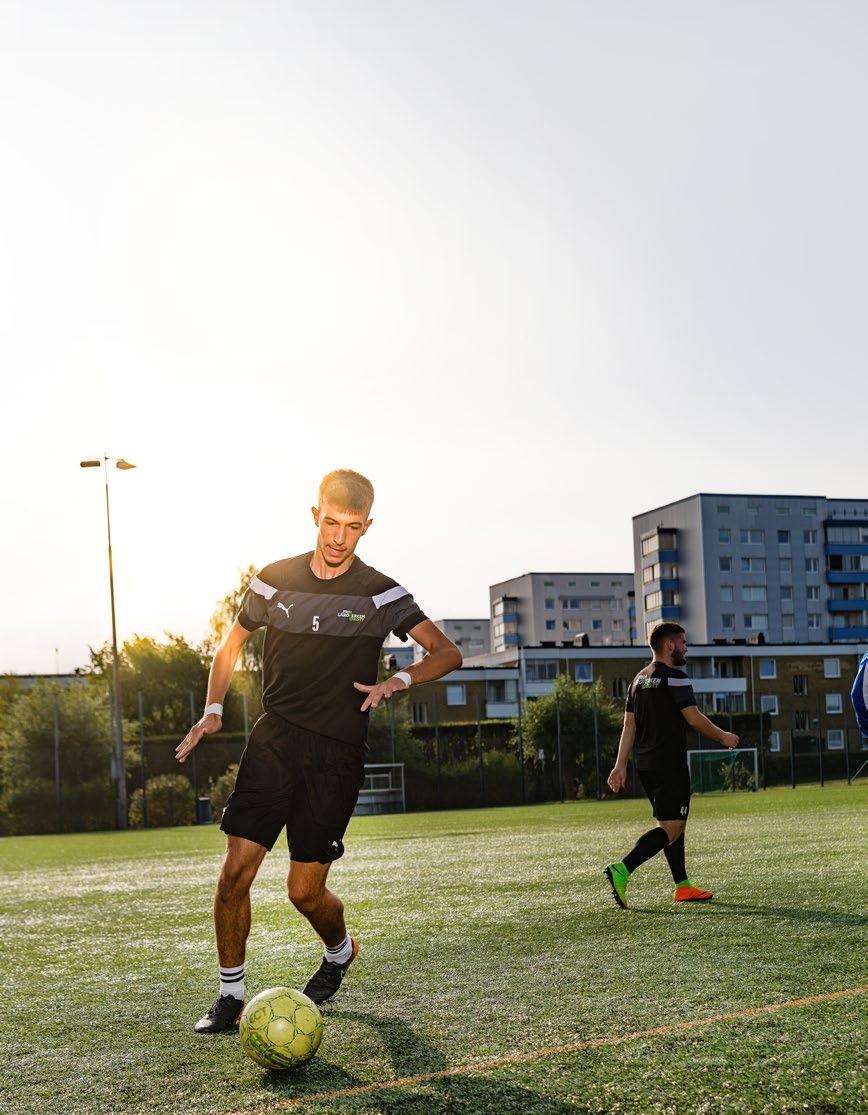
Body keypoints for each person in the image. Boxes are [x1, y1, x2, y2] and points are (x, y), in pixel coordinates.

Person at [176, 469, 462, 1033]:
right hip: (274, 739)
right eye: (331, 522)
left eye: (352, 527)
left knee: (304, 892)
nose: (339, 537)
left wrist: (396, 684)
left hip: (336, 753)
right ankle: (230, 996)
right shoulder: (272, 581)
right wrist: (212, 710)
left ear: (367, 527)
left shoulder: (382, 592)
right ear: (315, 516)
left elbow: (447, 653)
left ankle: (339, 951)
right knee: (235, 872)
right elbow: (230, 645)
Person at [603, 622, 738, 909]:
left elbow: (629, 725)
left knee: (673, 823)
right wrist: (724, 736)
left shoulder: (637, 681)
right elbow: (694, 717)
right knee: (672, 827)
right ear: (669, 646)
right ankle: (622, 869)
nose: (686, 647)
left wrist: (620, 766)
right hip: (670, 763)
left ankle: (682, 885)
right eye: (683, 642)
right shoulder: (675, 677)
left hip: (646, 764)